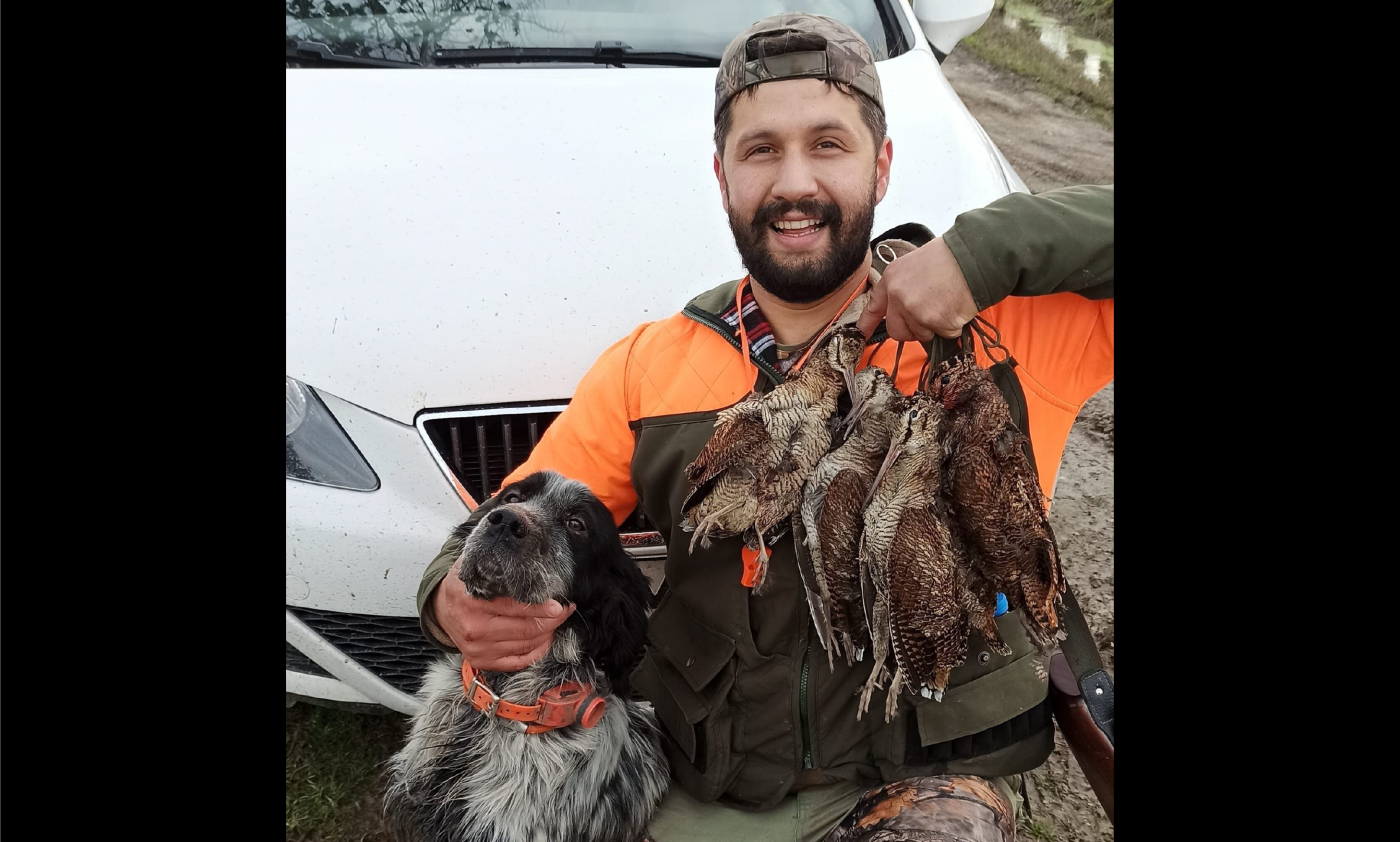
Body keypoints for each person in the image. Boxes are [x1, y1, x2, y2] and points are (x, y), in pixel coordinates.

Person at [418, 14, 1113, 841]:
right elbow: (494, 527)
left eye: (828, 144)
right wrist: (449, 598)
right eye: (760, 151)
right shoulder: (649, 368)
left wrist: (984, 252)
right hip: (706, 786)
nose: (794, 182)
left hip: (921, 785)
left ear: (882, 165)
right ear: (722, 177)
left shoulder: (1007, 332)